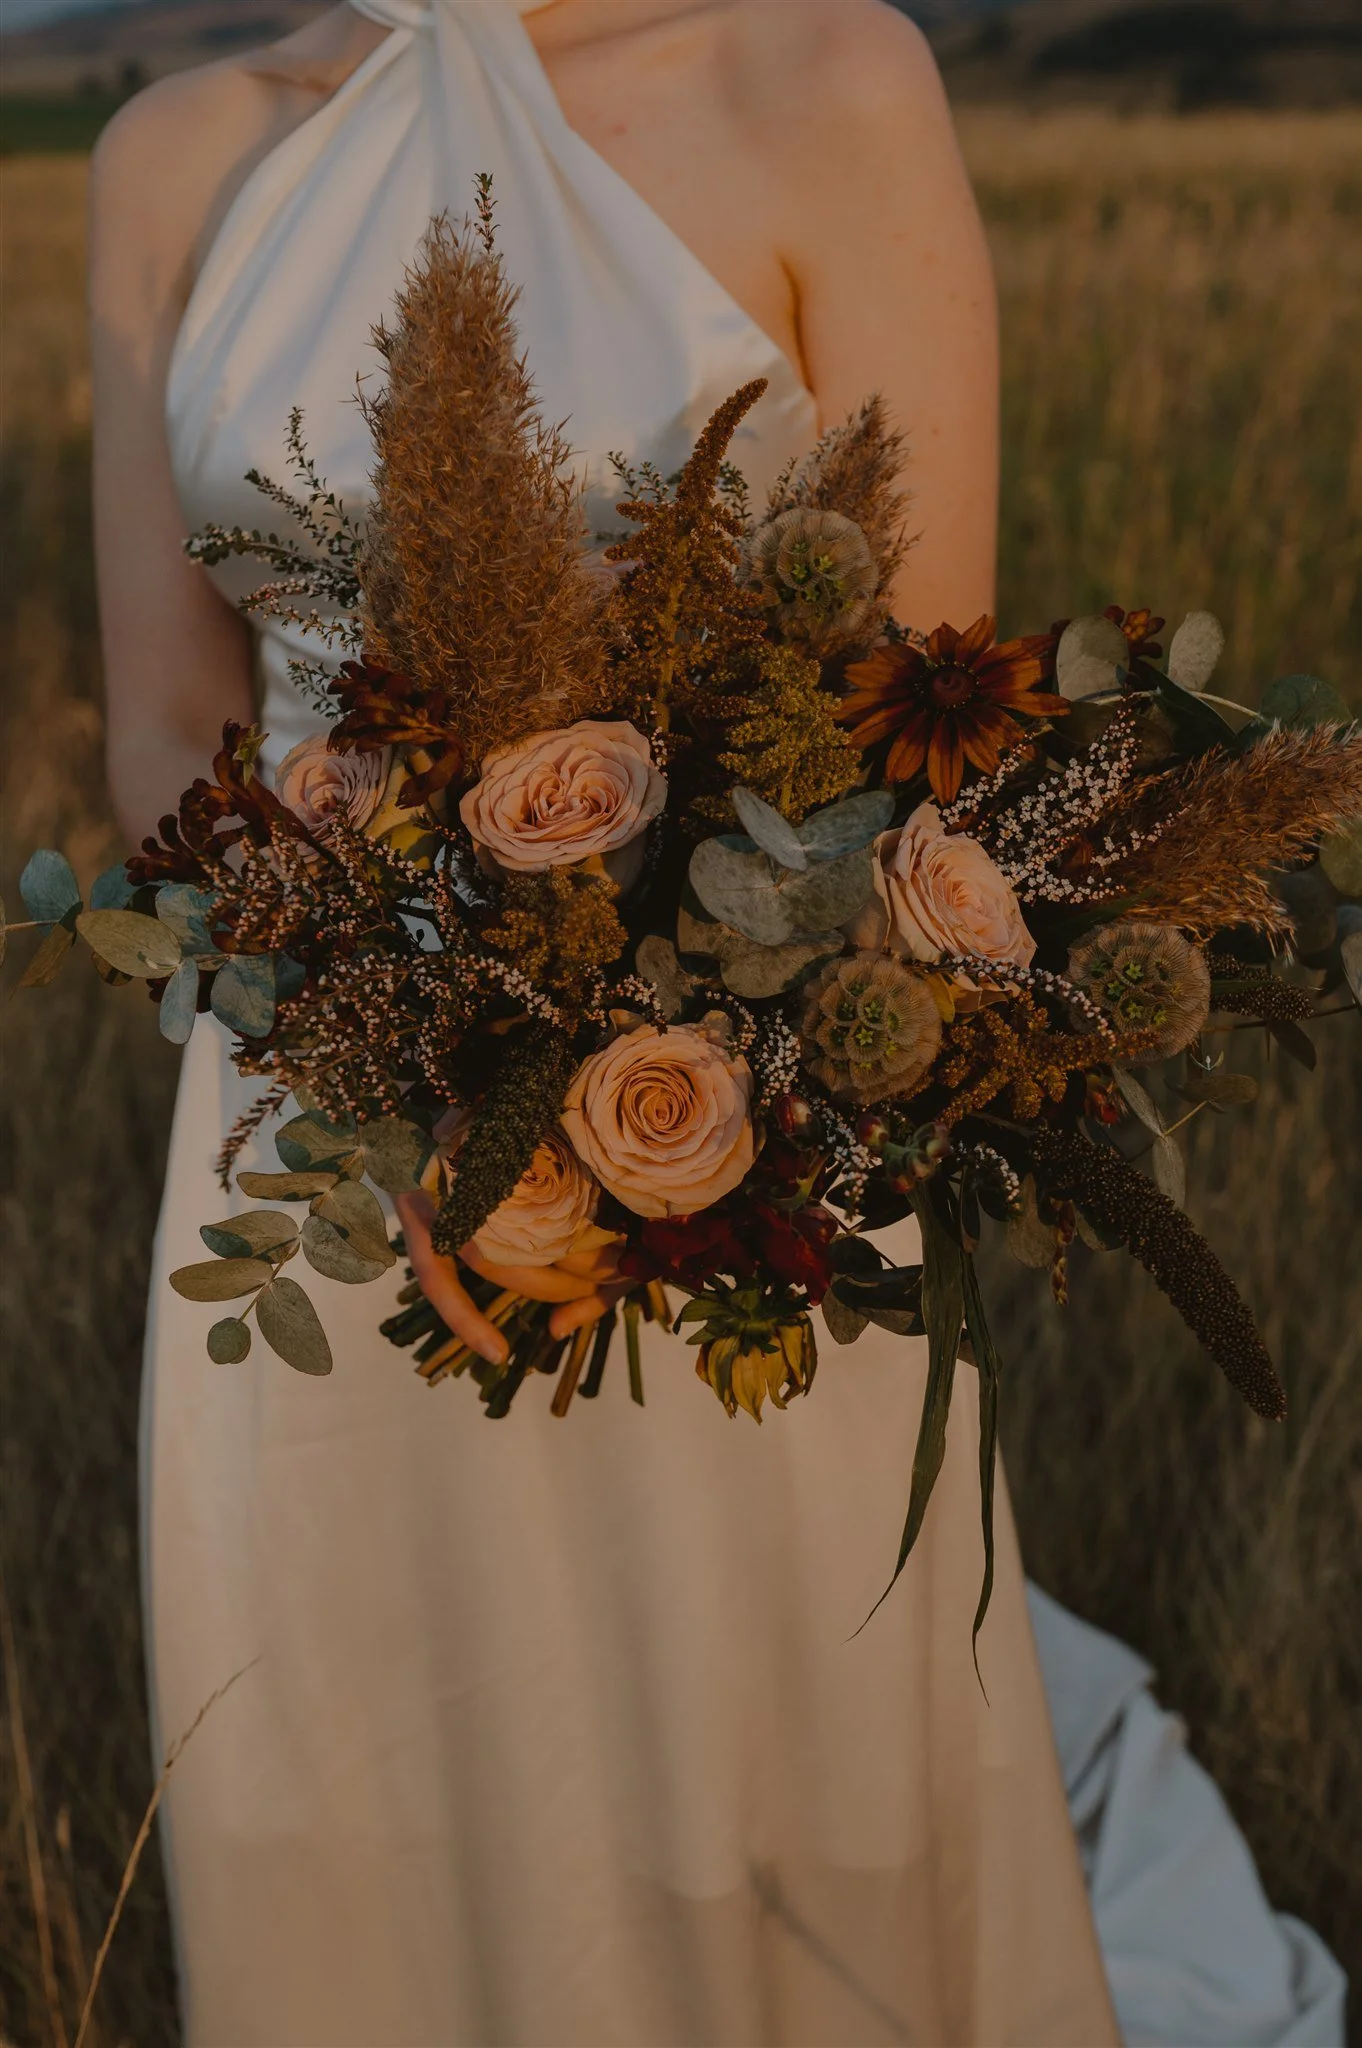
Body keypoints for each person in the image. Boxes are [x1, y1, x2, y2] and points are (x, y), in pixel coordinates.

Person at [88, 4, 1345, 2043]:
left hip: (727, 1121)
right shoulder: (175, 152)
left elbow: (922, 705)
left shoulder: (826, 76)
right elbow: (162, 723)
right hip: (311, 1129)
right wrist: (380, 1015)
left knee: (760, 1769)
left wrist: (625, 1076)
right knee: (374, 1789)